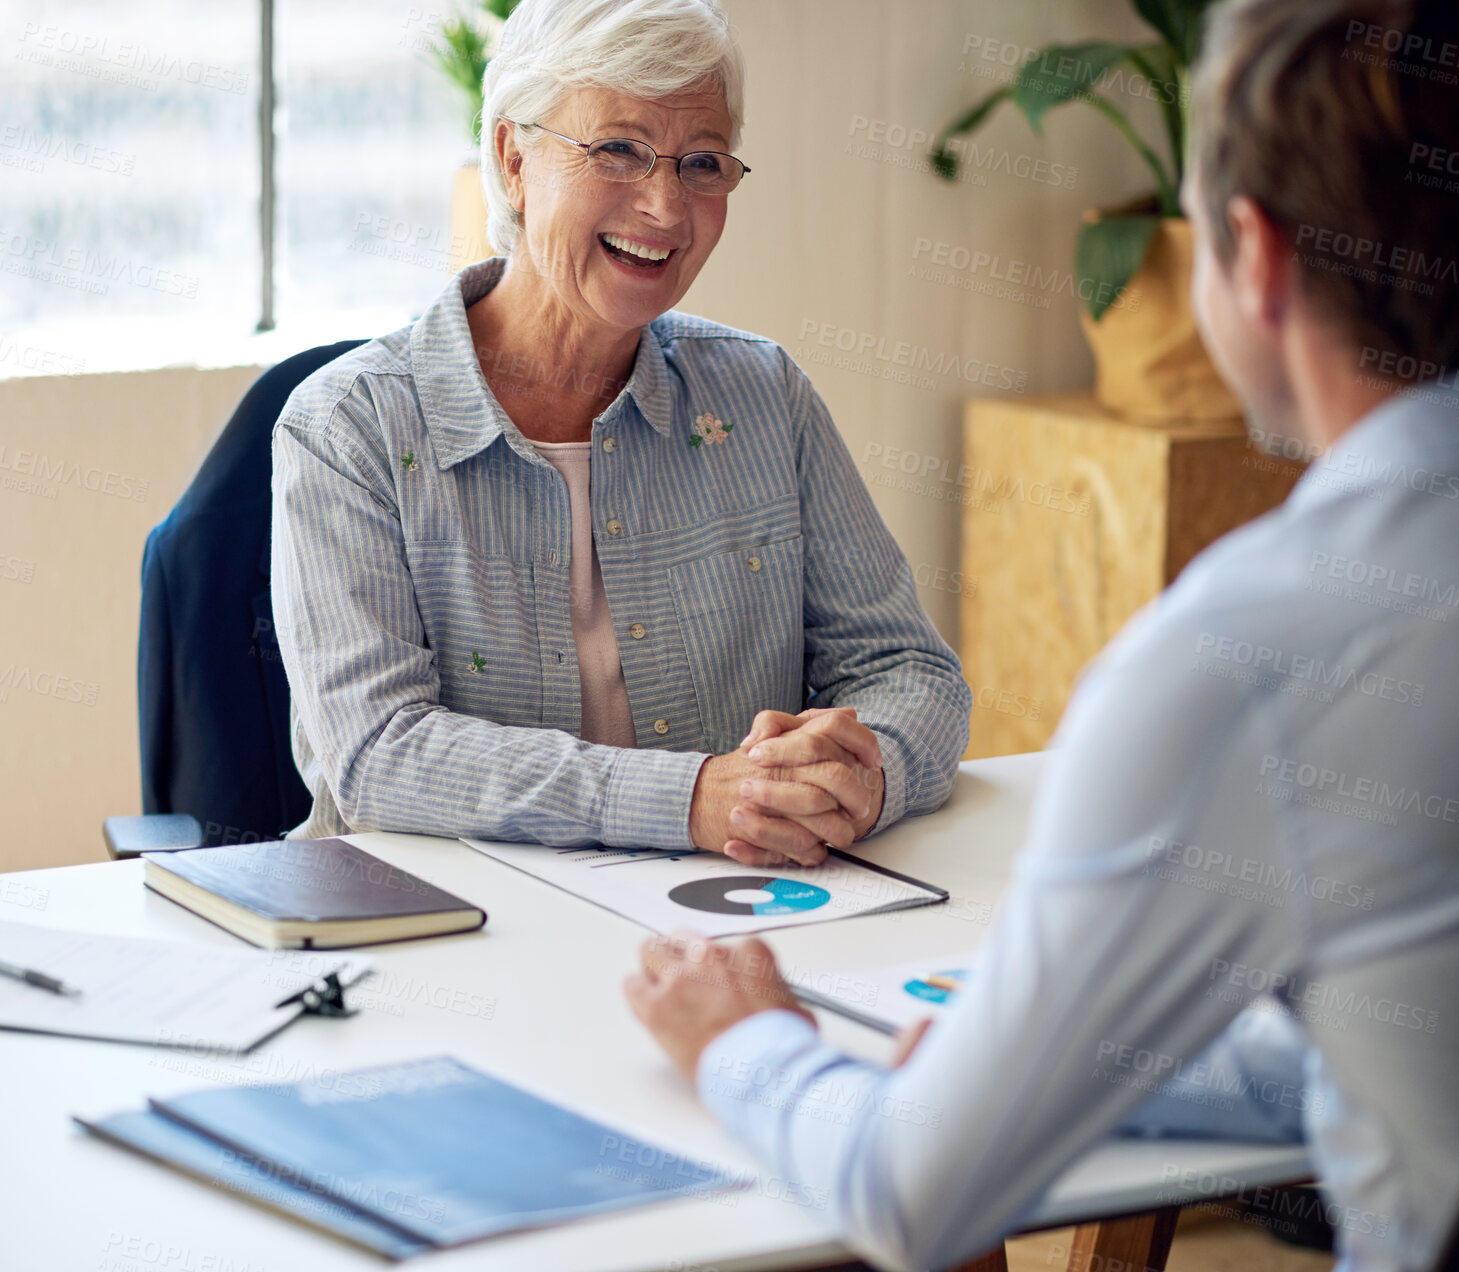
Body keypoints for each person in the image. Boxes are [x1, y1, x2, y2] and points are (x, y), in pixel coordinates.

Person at [624, 1, 1459, 1268]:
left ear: (1252, 255)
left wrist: (741, 1042)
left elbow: (914, 1200)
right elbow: (1454, 1033)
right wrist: (1065, 1055)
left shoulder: (1254, 653)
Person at [269, 0, 970, 862]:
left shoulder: (761, 396)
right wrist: (688, 800)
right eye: (617, 150)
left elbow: (912, 673)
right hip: (451, 936)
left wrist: (859, 777)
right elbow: (379, 754)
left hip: (734, 912)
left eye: (702, 162)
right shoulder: (349, 427)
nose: (666, 207)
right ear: (512, 158)